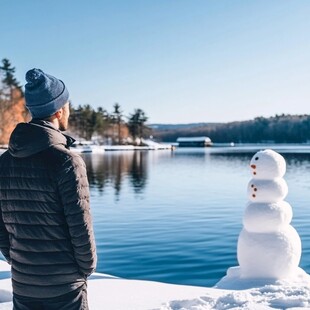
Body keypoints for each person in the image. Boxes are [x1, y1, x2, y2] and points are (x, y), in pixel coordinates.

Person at [0, 68, 97, 309]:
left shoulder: (4, 162)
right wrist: (85, 269)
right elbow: (80, 227)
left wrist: (19, 262)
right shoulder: (66, 161)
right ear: (59, 110)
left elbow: (1, 228)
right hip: (65, 288)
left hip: (23, 285)